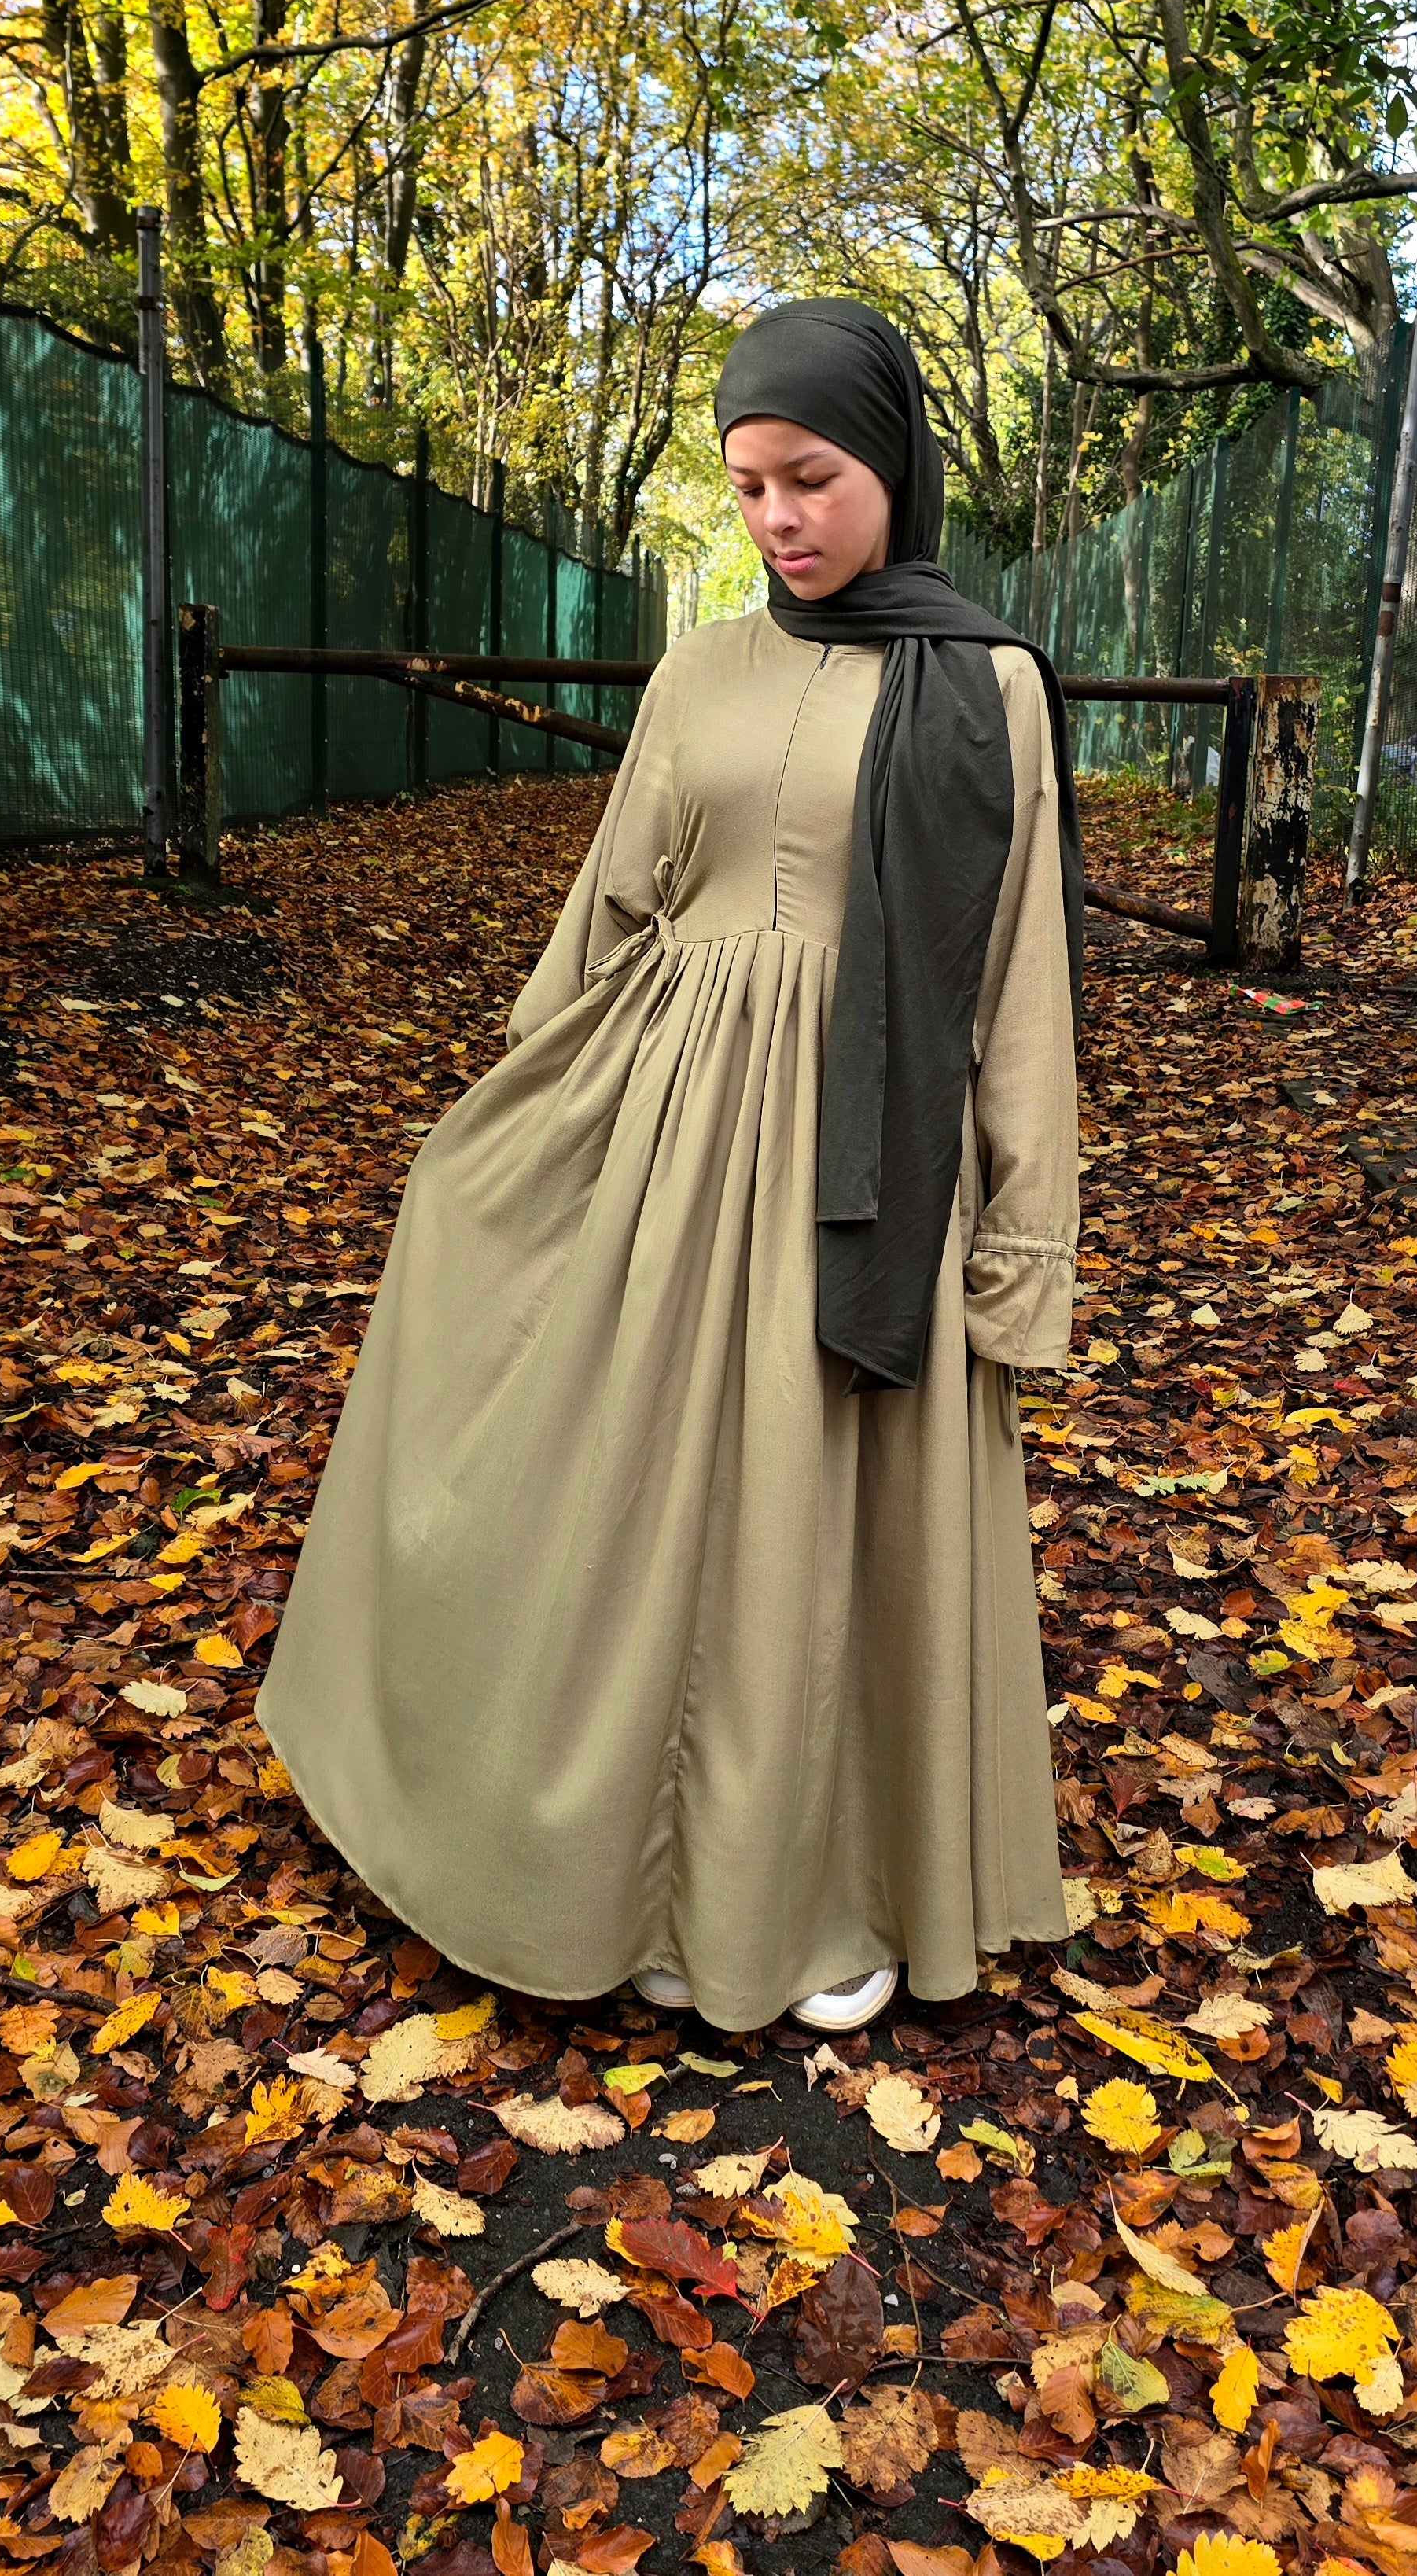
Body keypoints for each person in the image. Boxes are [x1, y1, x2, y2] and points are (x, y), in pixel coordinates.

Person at [257, 296, 1085, 2034]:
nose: (777, 515)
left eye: (811, 476)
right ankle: (601, 1864)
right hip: (663, 1127)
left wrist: (1021, 1248)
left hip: (870, 1166)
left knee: (821, 1515)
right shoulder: (696, 667)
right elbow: (609, 909)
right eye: (748, 485)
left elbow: (1014, 989)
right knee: (630, 1503)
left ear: (893, 466)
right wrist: (520, 1108)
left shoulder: (988, 683)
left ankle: (820, 1892)